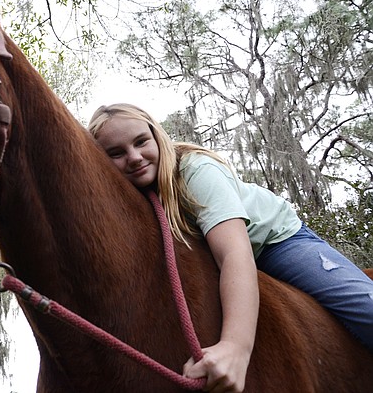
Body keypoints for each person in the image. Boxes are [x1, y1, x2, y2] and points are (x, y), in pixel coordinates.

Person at [87, 103, 373, 393]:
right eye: (116, 153)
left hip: (274, 243)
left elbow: (234, 253)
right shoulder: (128, 201)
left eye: (140, 142)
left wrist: (235, 348)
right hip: (209, 263)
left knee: (368, 309)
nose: (134, 158)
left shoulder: (195, 170)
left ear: (156, 134)